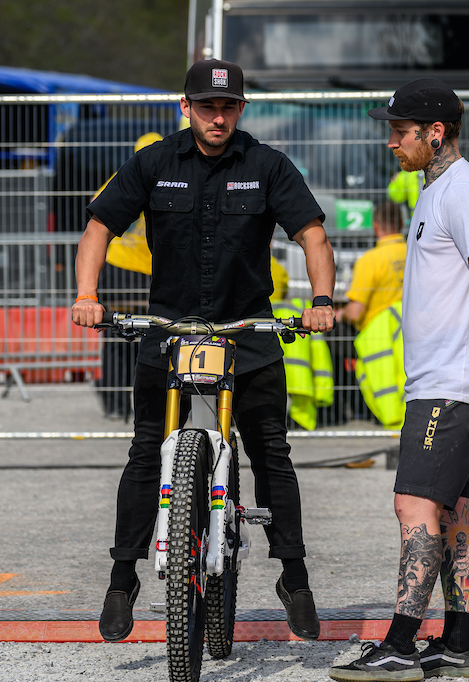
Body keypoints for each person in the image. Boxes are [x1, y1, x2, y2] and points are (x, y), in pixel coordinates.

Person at [71, 59, 336, 644]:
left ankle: (294, 577)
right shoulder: (154, 162)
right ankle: (122, 581)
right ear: (185, 106)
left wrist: (321, 299)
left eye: (229, 106)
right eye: (207, 106)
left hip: (248, 335)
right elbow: (98, 228)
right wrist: (87, 296)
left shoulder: (267, 165)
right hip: (168, 334)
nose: (218, 117)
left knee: (271, 453)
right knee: (146, 452)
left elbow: (312, 234)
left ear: (242, 109)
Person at [329, 77, 469, 682]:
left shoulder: (463, 194)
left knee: (413, 504)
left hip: (451, 383)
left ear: (435, 132)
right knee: (452, 512)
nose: (391, 142)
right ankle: (459, 643)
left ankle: (397, 643)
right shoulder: (436, 189)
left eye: (400, 132)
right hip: (443, 380)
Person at [92, 132, 162, 420]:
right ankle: (141, 401)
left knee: (116, 333)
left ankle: (114, 401)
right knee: (150, 333)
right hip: (142, 271)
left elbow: (96, 204)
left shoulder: (123, 175)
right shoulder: (161, 176)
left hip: (117, 267)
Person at [336, 200, 407, 331]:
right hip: (412, 334)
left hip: (380, 342)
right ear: (402, 223)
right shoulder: (414, 253)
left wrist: (341, 314)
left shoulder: (369, 260)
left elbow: (354, 314)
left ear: (375, 226)